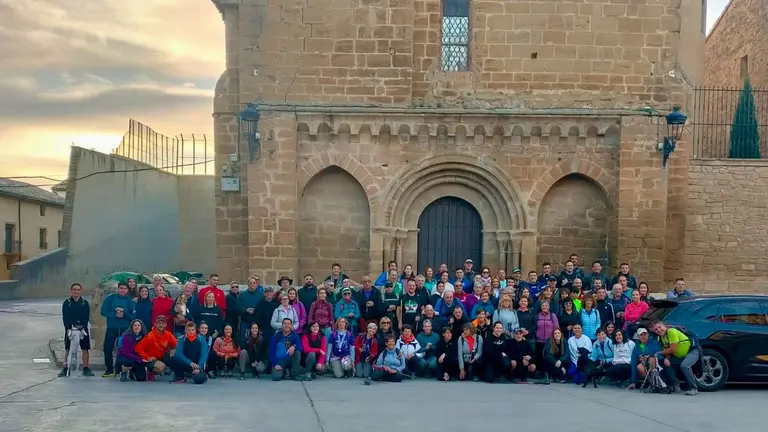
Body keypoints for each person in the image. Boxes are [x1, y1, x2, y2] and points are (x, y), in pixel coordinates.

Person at [651, 319, 700, 395]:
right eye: (656, 330)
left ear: (664, 325)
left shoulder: (671, 331)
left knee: (685, 366)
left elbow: (673, 349)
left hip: (692, 352)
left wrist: (659, 353)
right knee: (667, 364)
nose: (659, 330)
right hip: (680, 356)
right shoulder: (662, 337)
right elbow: (667, 348)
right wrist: (666, 359)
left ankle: (694, 388)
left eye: (659, 327)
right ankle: (676, 385)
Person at [100, 281, 135, 377]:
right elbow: (103, 311)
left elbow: (133, 316)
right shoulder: (110, 298)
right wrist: (114, 314)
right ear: (118, 289)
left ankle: (121, 368)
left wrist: (124, 313)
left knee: (124, 348)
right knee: (107, 348)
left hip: (125, 328)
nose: (123, 290)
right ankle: (109, 369)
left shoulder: (129, 301)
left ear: (127, 290)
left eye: (125, 289)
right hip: (112, 327)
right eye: (121, 288)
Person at [59, 283, 93, 377]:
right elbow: (65, 317)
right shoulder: (67, 303)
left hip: (82, 329)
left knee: (85, 348)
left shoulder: (84, 303)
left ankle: (86, 368)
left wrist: (82, 327)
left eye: (78, 290)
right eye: (74, 289)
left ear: (80, 291)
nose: (76, 291)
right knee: (68, 349)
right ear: (71, 291)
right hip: (70, 329)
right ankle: (66, 368)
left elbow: (86, 316)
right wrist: (68, 328)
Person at [135, 315, 178, 381]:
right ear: (155, 324)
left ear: (166, 325)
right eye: (159, 323)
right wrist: (147, 357)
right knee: (161, 367)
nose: (161, 325)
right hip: (151, 358)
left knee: (175, 351)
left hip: (162, 356)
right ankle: (151, 371)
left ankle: (179, 374)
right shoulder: (150, 336)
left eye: (163, 323)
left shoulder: (168, 334)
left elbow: (176, 345)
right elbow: (138, 348)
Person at [238, 277, 264, 344]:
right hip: (245, 321)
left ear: (257, 284)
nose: (252, 284)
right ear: (248, 284)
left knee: (258, 340)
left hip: (257, 322)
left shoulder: (261, 295)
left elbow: (263, 307)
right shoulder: (242, 295)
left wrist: (256, 310)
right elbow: (238, 307)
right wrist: (246, 310)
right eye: (250, 283)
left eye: (254, 283)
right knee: (244, 340)